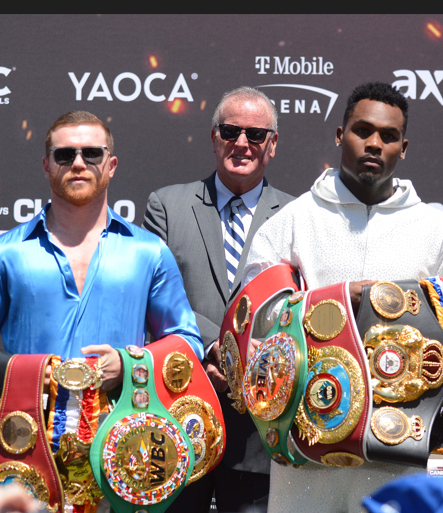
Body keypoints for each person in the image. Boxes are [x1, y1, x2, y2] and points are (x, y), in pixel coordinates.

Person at [242, 82, 443, 512]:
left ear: (403, 148)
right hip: (307, 449)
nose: (374, 143)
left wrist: (404, 324)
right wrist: (333, 304)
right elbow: (256, 315)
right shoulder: (293, 221)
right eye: (362, 130)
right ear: (339, 135)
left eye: (388, 136)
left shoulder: (435, 228)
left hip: (397, 445)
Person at [0, 111, 203, 392]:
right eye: (65, 155)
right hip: (26, 428)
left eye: (92, 153)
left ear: (112, 165)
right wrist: (20, 373)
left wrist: (131, 364)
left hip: (123, 430)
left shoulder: (150, 252)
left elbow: (187, 341)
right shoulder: (5, 253)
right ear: (47, 166)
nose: (79, 164)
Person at [143, 87, 293, 513]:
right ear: (213, 138)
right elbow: (157, 298)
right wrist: (217, 349)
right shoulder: (167, 206)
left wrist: (244, 363)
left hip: (259, 433)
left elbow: (295, 311)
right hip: (179, 412)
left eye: (255, 134)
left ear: (273, 144)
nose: (242, 143)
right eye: (230, 131)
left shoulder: (296, 217)